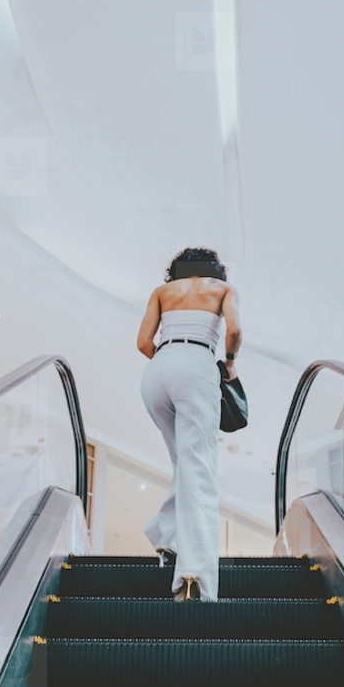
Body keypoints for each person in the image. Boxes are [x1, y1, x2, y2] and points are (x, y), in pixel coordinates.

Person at [136, 246, 241, 601]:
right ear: (215, 271)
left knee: (185, 464)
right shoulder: (222, 290)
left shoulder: (162, 292)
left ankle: (169, 539)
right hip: (197, 363)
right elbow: (234, 332)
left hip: (157, 370)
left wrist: (168, 359)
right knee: (200, 470)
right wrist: (228, 363)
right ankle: (193, 576)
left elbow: (142, 342)